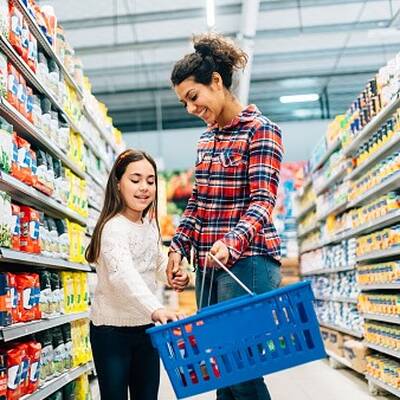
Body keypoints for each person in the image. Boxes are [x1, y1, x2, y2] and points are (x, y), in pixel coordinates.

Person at [167, 33, 283, 400]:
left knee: (242, 369)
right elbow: (198, 204)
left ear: (216, 82)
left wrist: (232, 241)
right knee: (219, 370)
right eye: (184, 102)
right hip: (210, 266)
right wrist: (177, 248)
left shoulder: (261, 130)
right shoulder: (206, 140)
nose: (190, 108)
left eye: (193, 97)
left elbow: (263, 201)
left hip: (248, 261)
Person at [86, 149, 189, 400]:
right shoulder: (113, 229)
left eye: (150, 181)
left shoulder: (149, 225)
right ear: (118, 184)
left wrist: (172, 275)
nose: (144, 187)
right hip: (111, 332)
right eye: (135, 180)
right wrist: (156, 308)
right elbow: (124, 276)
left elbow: (155, 263)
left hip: (146, 330)